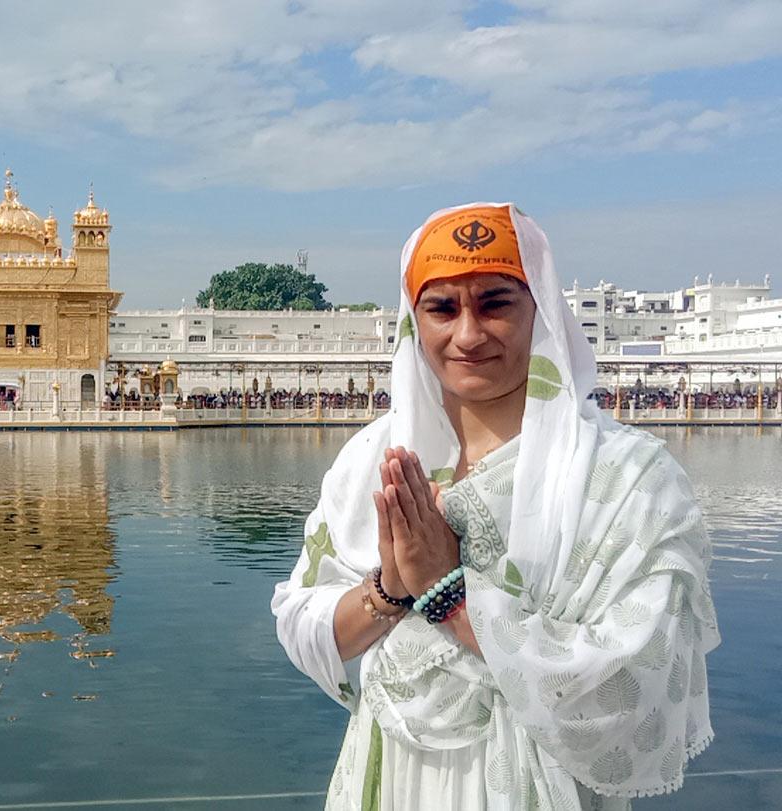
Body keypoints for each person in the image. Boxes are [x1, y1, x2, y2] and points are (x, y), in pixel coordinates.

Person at [272, 203, 719, 810]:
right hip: (391, 775)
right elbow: (304, 624)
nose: (468, 334)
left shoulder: (625, 479)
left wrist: (449, 594)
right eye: (443, 307)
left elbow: (634, 687)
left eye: (495, 303)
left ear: (541, 309)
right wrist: (392, 591)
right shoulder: (370, 460)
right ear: (413, 322)